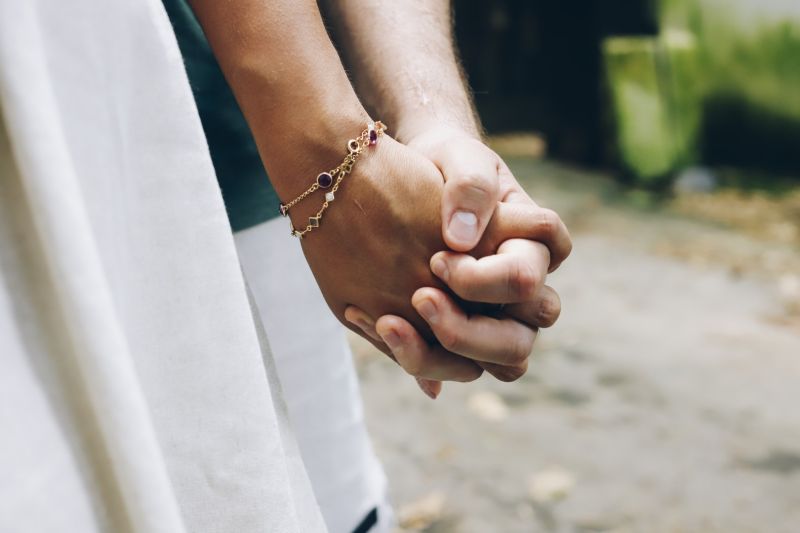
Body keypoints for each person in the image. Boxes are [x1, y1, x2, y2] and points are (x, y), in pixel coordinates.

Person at [0, 1, 569, 532]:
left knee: (313, 499)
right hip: (78, 156)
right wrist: (328, 144)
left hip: (261, 185)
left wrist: (433, 128)